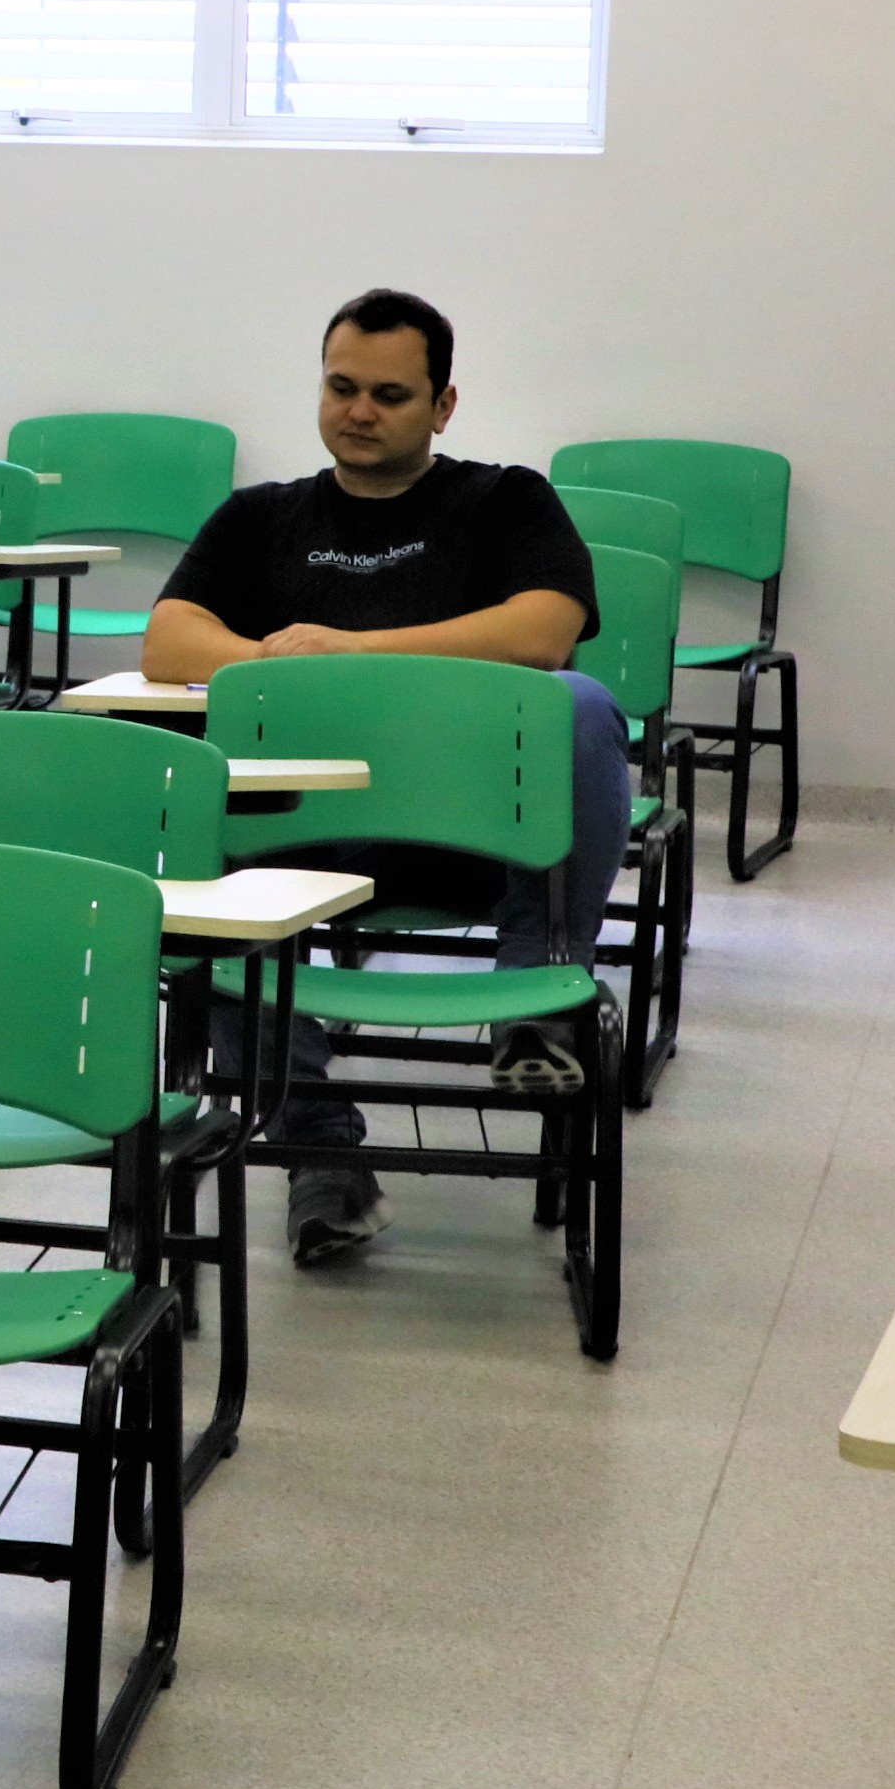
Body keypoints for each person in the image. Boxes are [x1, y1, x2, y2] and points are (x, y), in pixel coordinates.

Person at [143, 288, 628, 1266]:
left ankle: (534, 1000)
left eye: (390, 395)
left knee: (580, 706)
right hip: (307, 841)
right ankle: (320, 1150)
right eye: (341, 388)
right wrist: (273, 666)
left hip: (478, 845)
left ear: (443, 406)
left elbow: (547, 629)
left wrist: (352, 653)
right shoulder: (261, 516)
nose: (359, 411)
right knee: (204, 863)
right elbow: (168, 641)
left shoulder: (504, 501)